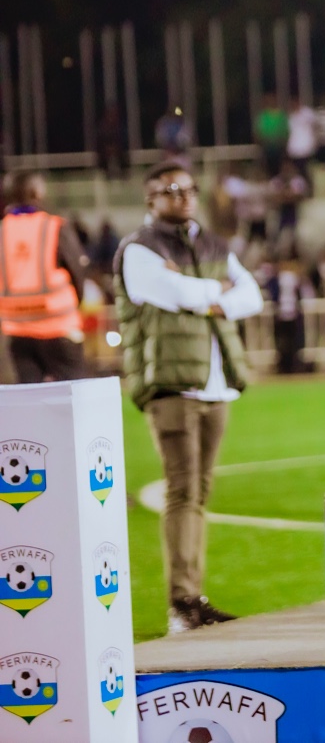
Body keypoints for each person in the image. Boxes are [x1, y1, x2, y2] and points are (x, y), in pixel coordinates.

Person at [114, 162, 262, 633]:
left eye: (189, 188)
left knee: (198, 492)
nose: (183, 196)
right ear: (150, 199)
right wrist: (216, 292)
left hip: (216, 385)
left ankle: (192, 600)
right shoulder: (139, 248)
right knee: (182, 491)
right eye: (171, 190)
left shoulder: (213, 243)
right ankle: (181, 604)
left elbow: (252, 296)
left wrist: (202, 295)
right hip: (172, 385)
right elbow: (170, 291)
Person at [0, 172, 88, 381]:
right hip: (59, 328)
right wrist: (77, 303)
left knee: (31, 397)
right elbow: (77, 271)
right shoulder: (54, 226)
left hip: (16, 331)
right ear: (37, 193)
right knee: (73, 395)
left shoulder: (2, 231)